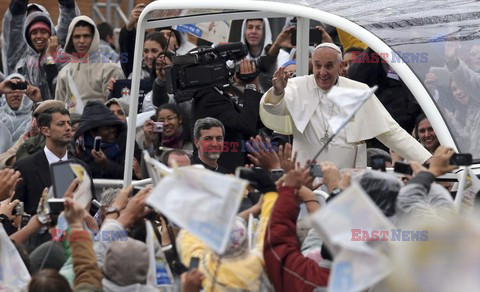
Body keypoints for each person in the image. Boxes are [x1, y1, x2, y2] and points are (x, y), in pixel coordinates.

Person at [260, 42, 431, 169]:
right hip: (306, 180)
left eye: (329, 66)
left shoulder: (358, 91)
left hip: (347, 180)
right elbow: (274, 109)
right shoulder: (297, 86)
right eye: (318, 66)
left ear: (341, 66)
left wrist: (426, 159)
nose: (322, 72)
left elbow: (391, 131)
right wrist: (277, 92)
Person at [13, 107, 90, 215]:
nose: (68, 128)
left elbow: (90, 208)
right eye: (61, 124)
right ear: (45, 130)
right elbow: (15, 211)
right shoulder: (25, 168)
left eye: (69, 123)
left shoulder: (82, 168)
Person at [55, 16, 125, 106]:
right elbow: (58, 107)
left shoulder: (110, 69)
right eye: (77, 37)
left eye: (86, 36)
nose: (81, 41)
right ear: (70, 39)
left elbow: (118, 108)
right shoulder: (64, 72)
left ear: (94, 38)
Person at [2, 0, 78, 75]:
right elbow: (13, 26)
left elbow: (68, 23)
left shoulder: (58, 49)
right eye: (29, 19)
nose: (39, 36)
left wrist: (67, 4)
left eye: (43, 31)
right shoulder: (18, 59)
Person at [74, 101, 141, 179]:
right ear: (93, 133)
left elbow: (131, 175)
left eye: (113, 127)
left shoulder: (127, 142)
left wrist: (106, 164)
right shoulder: (80, 148)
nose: (112, 131)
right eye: (106, 128)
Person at [0, 74, 41, 151]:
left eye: (20, 90)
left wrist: (38, 102)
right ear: (4, 96)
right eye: (11, 90)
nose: (15, 94)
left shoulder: (34, 118)